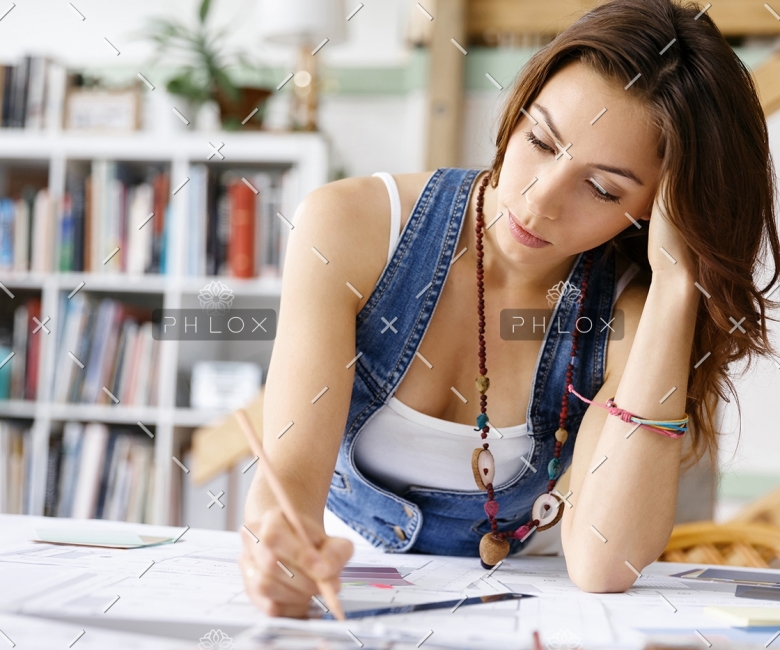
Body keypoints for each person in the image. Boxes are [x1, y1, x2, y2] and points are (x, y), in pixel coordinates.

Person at [238, 0, 780, 618]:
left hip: (536, 608)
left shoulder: (625, 314)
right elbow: (287, 487)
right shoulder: (350, 227)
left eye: (603, 188)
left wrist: (679, 281)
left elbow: (606, 563)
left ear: (658, 210)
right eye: (540, 140)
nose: (539, 199)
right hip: (349, 587)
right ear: (519, 108)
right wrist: (274, 547)